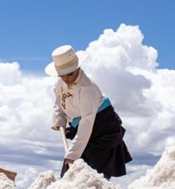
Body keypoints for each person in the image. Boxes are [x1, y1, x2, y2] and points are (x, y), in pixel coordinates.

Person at [46, 45, 132, 179]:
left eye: (70, 74)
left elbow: (87, 122)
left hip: (101, 126)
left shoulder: (87, 88)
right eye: (63, 75)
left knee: (95, 169)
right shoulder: (60, 82)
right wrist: (58, 120)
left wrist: (72, 154)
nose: (67, 78)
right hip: (80, 125)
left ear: (78, 68)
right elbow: (59, 100)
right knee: (70, 173)